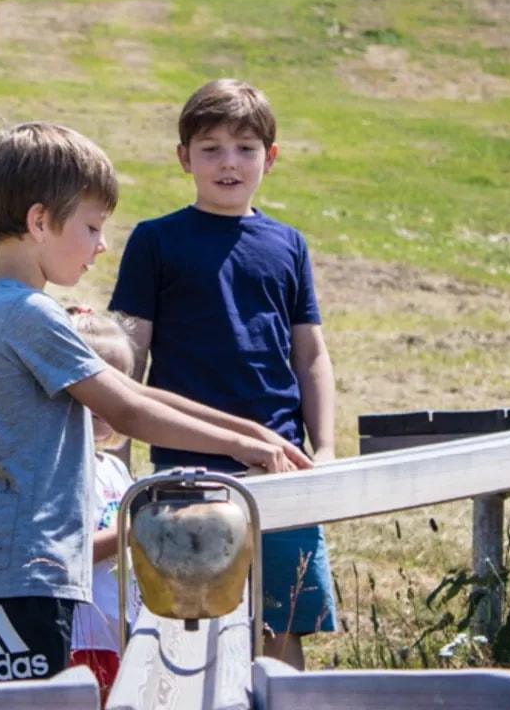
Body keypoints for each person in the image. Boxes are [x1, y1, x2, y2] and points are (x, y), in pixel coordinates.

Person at [0, 121, 311, 688]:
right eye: (91, 227)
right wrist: (242, 444)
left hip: (29, 568)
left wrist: (257, 435)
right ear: (40, 222)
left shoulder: (17, 307)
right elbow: (128, 413)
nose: (102, 245)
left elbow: (133, 392)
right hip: (21, 572)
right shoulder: (28, 313)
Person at [108, 78, 338, 670]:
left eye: (245, 147)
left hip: (284, 468)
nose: (228, 162)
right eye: (210, 148)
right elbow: (126, 355)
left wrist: (328, 449)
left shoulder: (289, 245)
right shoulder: (155, 241)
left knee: (282, 628)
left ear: (271, 157)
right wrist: (116, 453)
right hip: (184, 473)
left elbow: (310, 356)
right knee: (187, 630)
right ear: (184, 158)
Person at [65, 306, 141, 707]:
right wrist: (135, 532)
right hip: (81, 637)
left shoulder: (114, 468)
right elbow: (69, 552)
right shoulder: (63, 470)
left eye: (116, 383)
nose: (103, 399)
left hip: (123, 631)